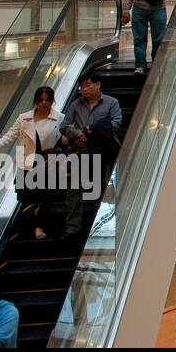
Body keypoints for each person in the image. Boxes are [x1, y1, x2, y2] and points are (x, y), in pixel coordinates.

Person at [57, 71, 123, 238]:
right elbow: (64, 127)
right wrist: (80, 133)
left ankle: (103, 225)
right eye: (82, 86)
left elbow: (115, 124)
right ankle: (73, 227)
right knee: (73, 190)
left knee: (104, 189)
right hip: (80, 152)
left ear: (97, 84)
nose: (84, 89)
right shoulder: (75, 105)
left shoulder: (111, 103)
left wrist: (90, 131)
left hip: (103, 152)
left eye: (88, 85)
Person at [0, 86, 64, 239]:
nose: (44, 103)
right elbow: (9, 137)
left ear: (52, 101)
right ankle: (31, 221)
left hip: (48, 163)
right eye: (41, 100)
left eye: (47, 100)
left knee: (45, 196)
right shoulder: (24, 118)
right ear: (36, 100)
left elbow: (63, 138)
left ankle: (39, 227)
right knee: (25, 196)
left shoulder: (59, 118)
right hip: (27, 163)